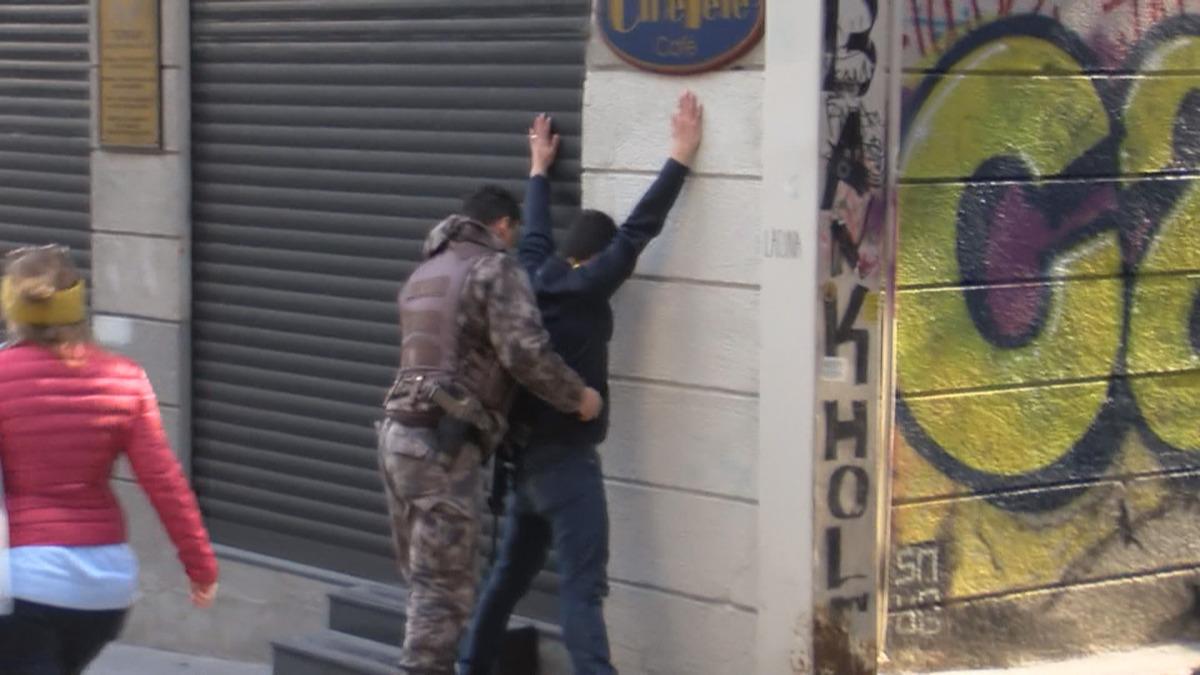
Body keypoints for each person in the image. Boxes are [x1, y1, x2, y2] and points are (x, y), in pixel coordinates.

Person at [459, 91, 704, 675]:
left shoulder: (532, 275)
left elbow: (537, 230)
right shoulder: (590, 284)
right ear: (595, 255)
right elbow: (640, 230)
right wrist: (680, 156)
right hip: (567, 464)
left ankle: (470, 666)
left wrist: (539, 170)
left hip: (522, 466)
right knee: (581, 589)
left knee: (504, 583)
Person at [379, 187, 604, 675]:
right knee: (443, 594)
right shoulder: (493, 269)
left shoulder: (427, 270)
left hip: (398, 436)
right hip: (441, 443)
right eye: (514, 233)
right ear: (502, 226)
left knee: (426, 584)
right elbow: (525, 354)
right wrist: (579, 397)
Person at [0, 245, 219, 675]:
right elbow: (165, 482)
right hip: (104, 591)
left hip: (22, 585)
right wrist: (201, 565)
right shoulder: (125, 378)